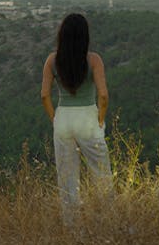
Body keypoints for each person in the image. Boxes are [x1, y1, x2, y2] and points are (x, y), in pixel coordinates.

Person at [41, 13, 112, 217]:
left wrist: (55, 118)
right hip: (88, 117)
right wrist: (100, 119)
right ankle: (108, 222)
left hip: (63, 118)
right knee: (102, 175)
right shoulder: (93, 59)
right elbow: (104, 95)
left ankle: (72, 229)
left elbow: (44, 95)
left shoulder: (52, 61)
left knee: (67, 178)